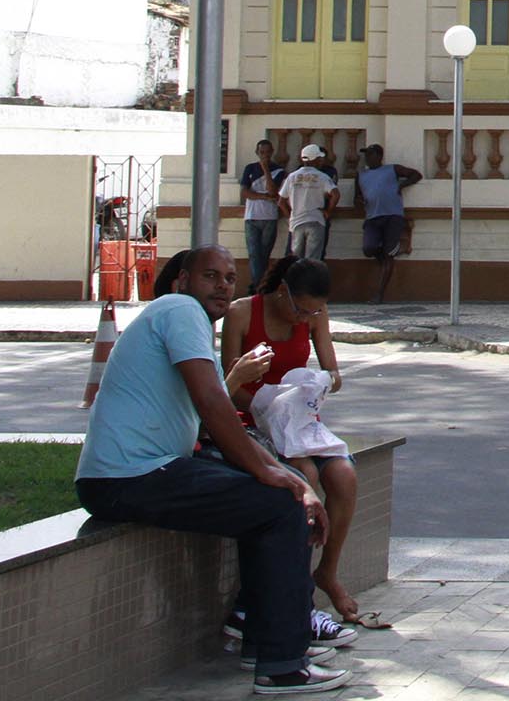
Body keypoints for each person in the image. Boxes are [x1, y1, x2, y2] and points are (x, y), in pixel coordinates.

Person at [76, 245, 347, 694]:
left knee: (282, 495)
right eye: (210, 276)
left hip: (148, 470)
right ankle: (281, 665)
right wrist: (276, 477)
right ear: (182, 280)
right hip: (126, 477)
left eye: (230, 278)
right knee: (280, 507)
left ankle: (261, 636)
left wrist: (293, 479)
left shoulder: (186, 321)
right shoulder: (180, 309)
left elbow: (209, 419)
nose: (222, 286)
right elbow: (213, 403)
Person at [224, 256, 369, 624]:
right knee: (305, 475)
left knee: (344, 476)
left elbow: (333, 372)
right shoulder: (241, 313)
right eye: (300, 310)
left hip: (299, 421)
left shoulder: (315, 315)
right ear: (282, 291)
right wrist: (265, 400)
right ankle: (297, 587)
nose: (304, 318)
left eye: (313, 312)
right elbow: (228, 386)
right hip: (254, 419)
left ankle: (327, 572)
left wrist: (323, 381)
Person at [354, 143, 421, 304]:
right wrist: (359, 201)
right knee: (368, 248)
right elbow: (356, 197)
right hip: (372, 216)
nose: (367, 158)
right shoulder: (361, 175)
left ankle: (379, 293)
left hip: (392, 216)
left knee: (388, 254)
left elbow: (416, 175)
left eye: (370, 155)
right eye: (366, 155)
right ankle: (385, 256)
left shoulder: (392, 169)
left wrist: (402, 185)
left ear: (379, 156)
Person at [240, 140, 288, 289]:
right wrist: (264, 197)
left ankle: (260, 286)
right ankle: (258, 286)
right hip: (251, 217)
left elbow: (273, 191)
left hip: (269, 217)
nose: (265, 155)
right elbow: (244, 193)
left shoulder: (279, 170)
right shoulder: (250, 168)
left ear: (272, 152)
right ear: (257, 153)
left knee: (264, 254)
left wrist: (266, 169)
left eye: (267, 152)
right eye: (262, 152)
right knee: (254, 254)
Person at [279, 145, 338, 263]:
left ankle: (296, 276)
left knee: (295, 260)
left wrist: (290, 216)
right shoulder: (322, 176)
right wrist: (328, 211)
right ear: (314, 159)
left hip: (297, 222)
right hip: (316, 220)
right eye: (319, 158)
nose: (321, 161)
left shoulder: (292, 177)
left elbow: (281, 201)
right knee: (313, 261)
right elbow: (335, 194)